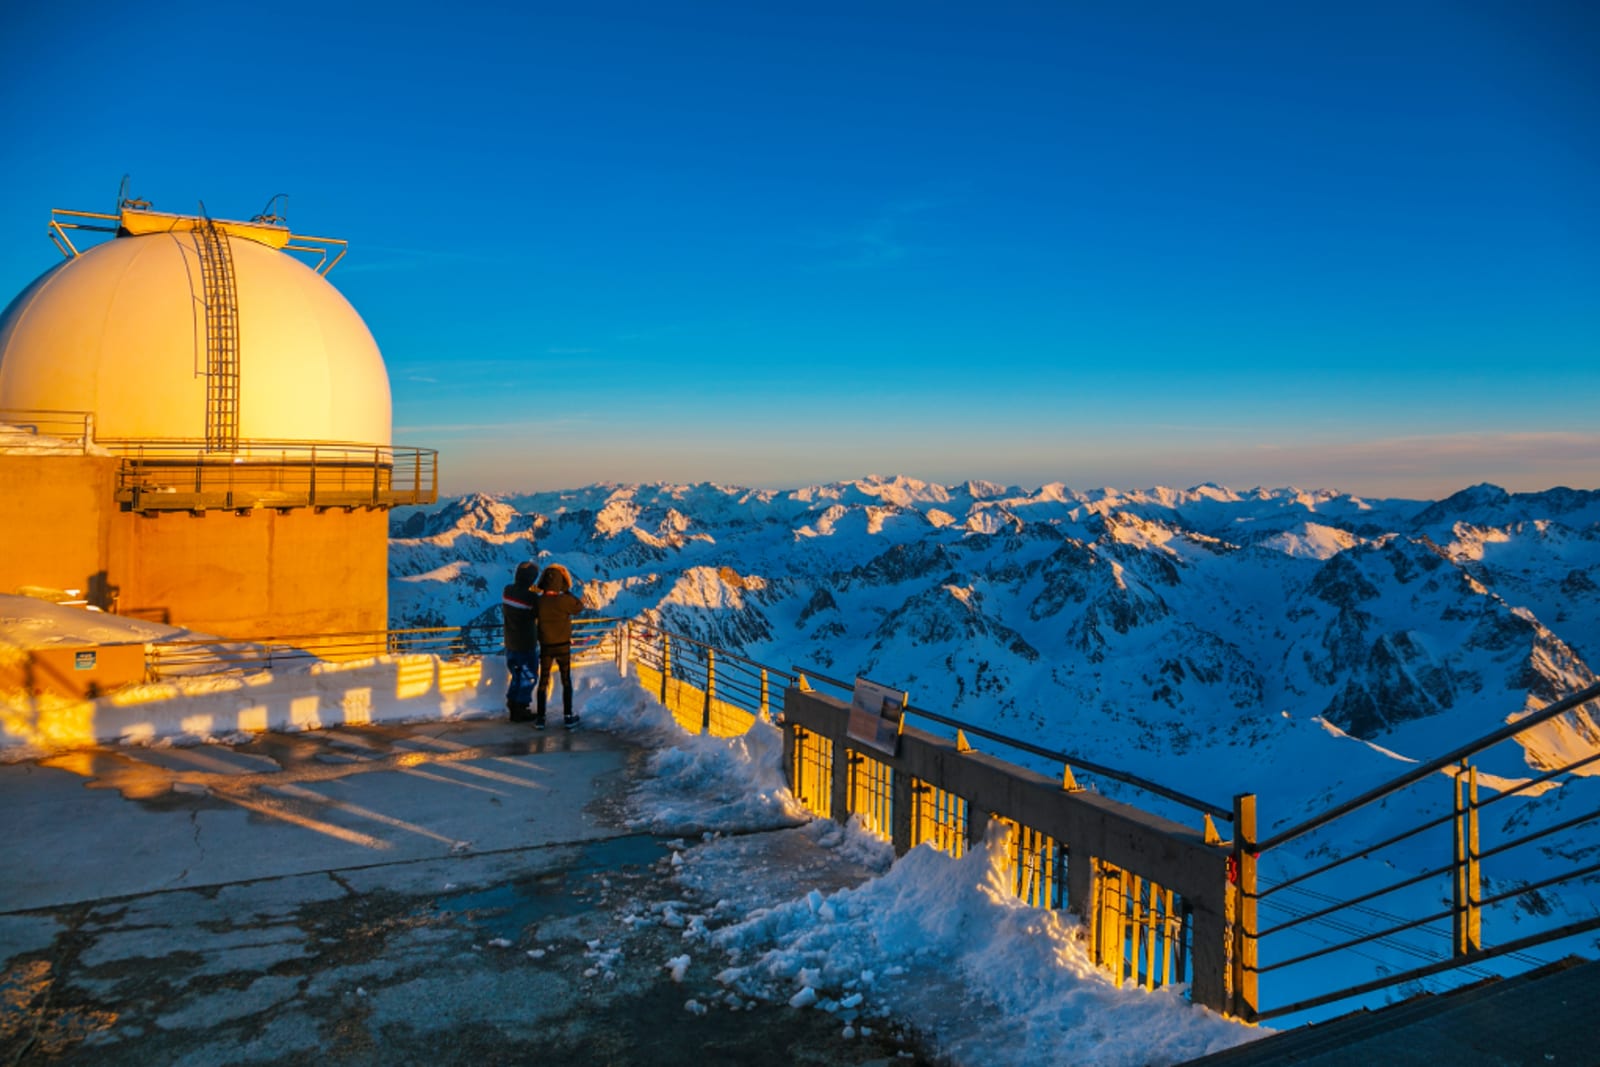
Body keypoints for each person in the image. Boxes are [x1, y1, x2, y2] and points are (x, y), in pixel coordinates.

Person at [534, 562, 584, 728]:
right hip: (563, 646)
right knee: (566, 681)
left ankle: (541, 718)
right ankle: (568, 716)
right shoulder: (564, 601)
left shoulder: (539, 602)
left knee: (543, 681)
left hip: (546, 646)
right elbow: (579, 607)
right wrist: (566, 590)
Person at [500, 561, 540, 723]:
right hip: (526, 643)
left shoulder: (508, 591)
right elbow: (540, 611)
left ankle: (513, 703)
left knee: (516, 675)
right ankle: (520, 708)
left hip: (510, 642)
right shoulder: (531, 598)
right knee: (528, 676)